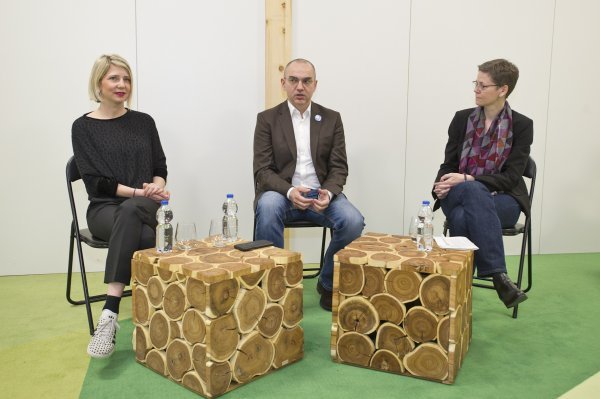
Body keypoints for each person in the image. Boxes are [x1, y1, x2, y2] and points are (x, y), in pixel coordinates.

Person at [72, 54, 170, 358]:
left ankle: (109, 313)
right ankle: (152, 312)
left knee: (133, 214)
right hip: (103, 210)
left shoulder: (144, 122)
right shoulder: (83, 127)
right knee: (140, 236)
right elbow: (96, 183)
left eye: (126, 79)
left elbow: (160, 167)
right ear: (98, 83)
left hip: (145, 206)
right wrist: (140, 192)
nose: (122, 85)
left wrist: (157, 186)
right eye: (114, 78)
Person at [253, 58, 365, 311]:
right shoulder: (267, 119)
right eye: (293, 80)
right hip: (281, 192)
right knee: (268, 206)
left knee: (353, 220)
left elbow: (339, 167)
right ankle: (274, 288)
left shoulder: (331, 119)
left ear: (315, 84)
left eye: (306, 81)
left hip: (320, 194)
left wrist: (329, 192)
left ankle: (327, 282)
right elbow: (262, 170)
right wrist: (290, 191)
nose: (300, 87)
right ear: (284, 83)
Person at [433, 58, 532, 309]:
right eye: (475, 83)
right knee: (471, 193)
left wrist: (469, 178)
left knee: (462, 216)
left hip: (505, 200)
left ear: (503, 89)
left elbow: (511, 178)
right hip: (457, 192)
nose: (476, 90)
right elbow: (448, 164)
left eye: (483, 85)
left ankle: (458, 288)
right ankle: (499, 276)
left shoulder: (522, 126)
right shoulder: (461, 119)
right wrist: (441, 182)